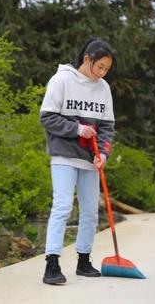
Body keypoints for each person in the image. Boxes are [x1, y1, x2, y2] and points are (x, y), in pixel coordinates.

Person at [39, 38, 115, 284]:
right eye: (99, 66)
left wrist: (103, 153)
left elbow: (107, 127)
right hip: (63, 155)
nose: (102, 73)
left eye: (106, 69)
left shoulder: (103, 88)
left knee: (91, 212)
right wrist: (77, 129)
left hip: (90, 160)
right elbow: (47, 117)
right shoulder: (62, 80)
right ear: (87, 59)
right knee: (62, 207)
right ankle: (52, 263)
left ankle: (84, 260)